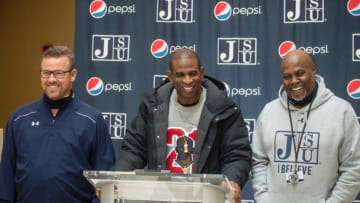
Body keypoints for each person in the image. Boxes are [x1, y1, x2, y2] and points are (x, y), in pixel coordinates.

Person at [114, 48, 252, 202]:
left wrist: (232, 180)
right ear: (170, 76)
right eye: (180, 75)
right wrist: (116, 179)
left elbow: (237, 154)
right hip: (161, 197)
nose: (187, 80)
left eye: (192, 73)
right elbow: (134, 149)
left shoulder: (223, 108)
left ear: (201, 72)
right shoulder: (153, 106)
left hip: (206, 198)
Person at [0, 46, 115, 203]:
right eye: (46, 73)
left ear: (73, 75)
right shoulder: (20, 118)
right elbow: (6, 175)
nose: (51, 79)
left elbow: (105, 180)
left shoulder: (92, 120)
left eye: (59, 73)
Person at [251, 49, 360, 202]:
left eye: (300, 73)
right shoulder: (269, 112)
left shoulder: (341, 111)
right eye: (287, 77)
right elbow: (259, 162)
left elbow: (354, 169)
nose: (294, 81)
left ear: (313, 69)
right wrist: (264, 199)